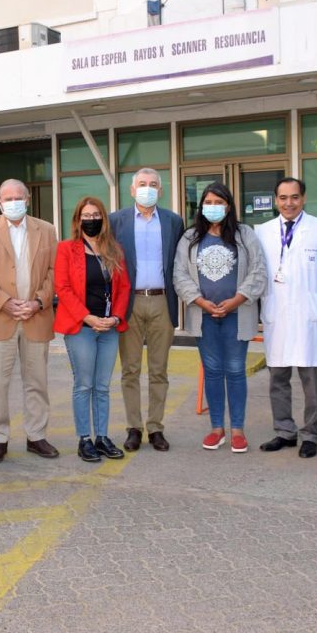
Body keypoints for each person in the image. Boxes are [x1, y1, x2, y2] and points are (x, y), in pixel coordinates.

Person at [0, 179, 59, 463]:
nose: (12, 203)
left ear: (28, 198)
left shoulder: (45, 230)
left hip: (36, 316)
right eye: (6, 199)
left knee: (37, 381)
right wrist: (5, 303)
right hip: (0, 317)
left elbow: (53, 272)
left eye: (17, 197)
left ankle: (36, 436)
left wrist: (38, 302)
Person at [174, 182, 266, 452]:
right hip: (204, 316)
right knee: (212, 372)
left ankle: (237, 429)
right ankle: (217, 429)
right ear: (201, 206)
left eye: (219, 202)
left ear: (229, 206)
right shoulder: (190, 237)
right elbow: (179, 273)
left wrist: (236, 300)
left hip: (237, 314)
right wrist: (201, 302)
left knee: (236, 371)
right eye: (209, 202)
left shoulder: (244, 234)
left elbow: (258, 271)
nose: (213, 207)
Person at [254, 177, 317, 458]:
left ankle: (311, 434)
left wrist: (311, 300)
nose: (289, 203)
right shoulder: (261, 231)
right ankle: (284, 431)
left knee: (311, 379)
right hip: (277, 312)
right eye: (283, 198)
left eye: (294, 197)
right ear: (276, 200)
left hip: (308, 314)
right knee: (278, 377)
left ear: (304, 198)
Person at [108, 168, 184, 452]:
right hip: (130, 302)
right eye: (142, 184)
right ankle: (133, 427)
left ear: (160, 191)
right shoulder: (116, 221)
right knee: (129, 369)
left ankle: (155, 428)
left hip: (163, 301)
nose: (147, 188)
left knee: (158, 370)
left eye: (153, 185)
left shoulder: (173, 222)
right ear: (132, 190)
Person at [54, 197, 131, 462]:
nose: (91, 220)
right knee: (84, 384)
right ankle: (84, 439)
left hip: (109, 327)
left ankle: (102, 437)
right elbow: (62, 288)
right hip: (81, 327)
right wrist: (88, 318)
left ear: (103, 219)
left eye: (95, 215)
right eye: (85, 216)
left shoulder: (114, 249)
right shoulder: (66, 249)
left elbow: (123, 288)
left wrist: (116, 317)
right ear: (77, 220)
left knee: (102, 386)